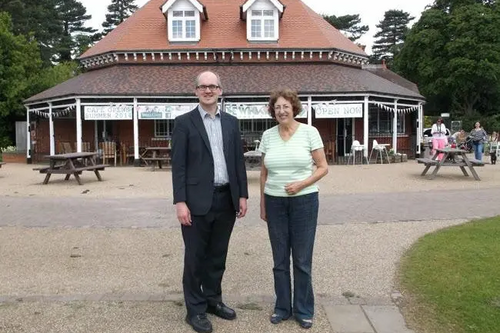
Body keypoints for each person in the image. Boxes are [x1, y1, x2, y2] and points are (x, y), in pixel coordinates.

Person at [171, 71, 249, 333]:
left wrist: (242, 195)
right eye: (203, 86)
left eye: (212, 86)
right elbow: (178, 166)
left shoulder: (231, 122)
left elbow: (238, 161)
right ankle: (195, 309)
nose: (208, 90)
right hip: (195, 202)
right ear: (195, 91)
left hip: (226, 199)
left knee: (218, 256)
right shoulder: (184, 123)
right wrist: (180, 201)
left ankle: (213, 300)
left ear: (220, 90)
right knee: (195, 258)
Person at [258, 88, 328, 330]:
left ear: (294, 108)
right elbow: (264, 172)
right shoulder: (267, 135)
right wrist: (263, 202)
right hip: (275, 202)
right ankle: (282, 307)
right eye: (277, 107)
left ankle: (304, 309)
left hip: (304, 202)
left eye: (285, 106)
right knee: (279, 260)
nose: (281, 110)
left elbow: (322, 167)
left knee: (301, 259)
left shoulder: (310, 132)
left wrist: (301, 184)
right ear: (272, 111)